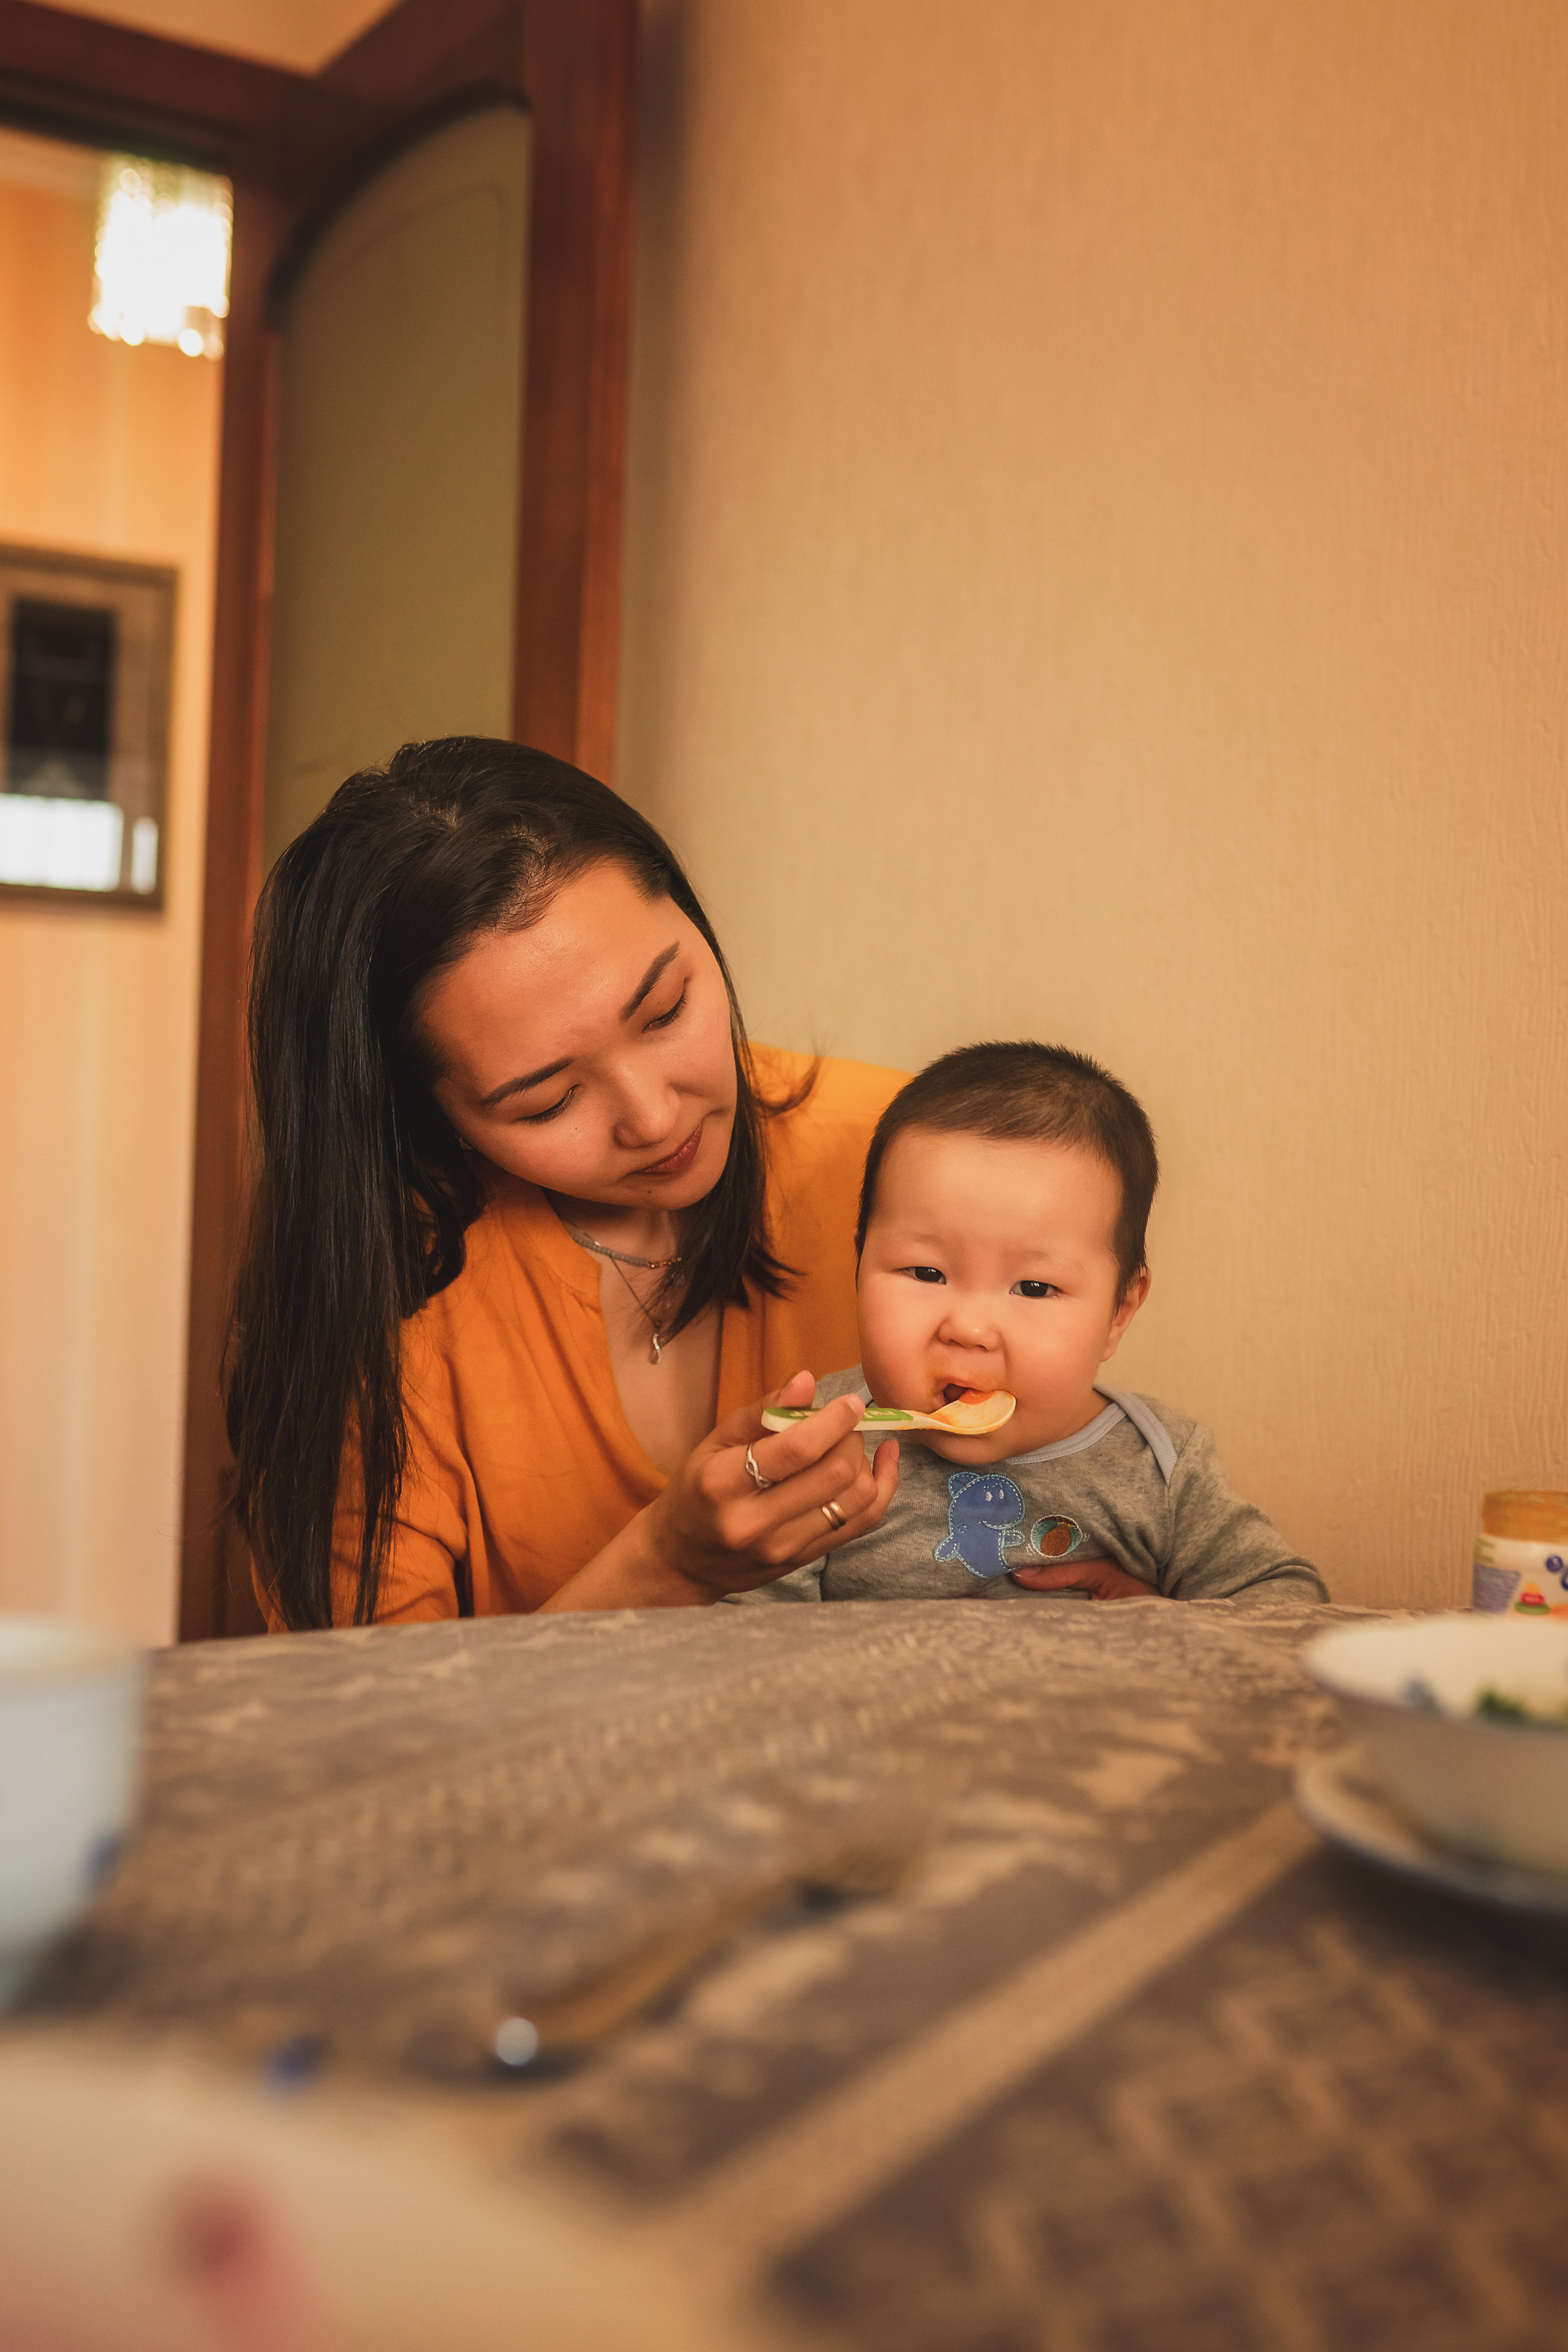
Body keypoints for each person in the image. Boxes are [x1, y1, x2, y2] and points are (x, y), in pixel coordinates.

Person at [227, 738, 905, 1629]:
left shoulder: (900, 1157)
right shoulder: (387, 1305)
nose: (653, 1118)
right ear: (432, 1118)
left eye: (665, 1011)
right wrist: (665, 1564)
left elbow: (1053, 1451)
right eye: (546, 1102)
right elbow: (366, 1709)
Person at [732, 1042, 1327, 1606]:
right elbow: (747, 1635)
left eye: (1035, 1288)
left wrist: (1162, 1623)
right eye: (927, 1273)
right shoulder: (824, 1445)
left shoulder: (1161, 1464)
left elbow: (1285, 1605)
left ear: (1119, 1312)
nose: (968, 1329)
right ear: (860, 1265)